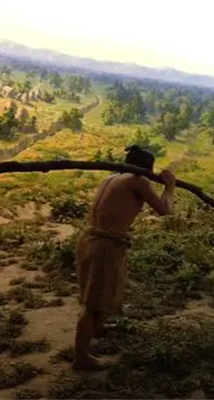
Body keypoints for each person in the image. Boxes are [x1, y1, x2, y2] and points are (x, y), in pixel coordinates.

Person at [73, 145, 176, 370]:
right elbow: (165, 211)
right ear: (147, 169)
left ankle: (98, 328)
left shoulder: (112, 178)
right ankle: (81, 357)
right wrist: (169, 186)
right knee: (93, 302)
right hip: (105, 246)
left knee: (102, 291)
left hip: (90, 240)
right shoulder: (138, 181)